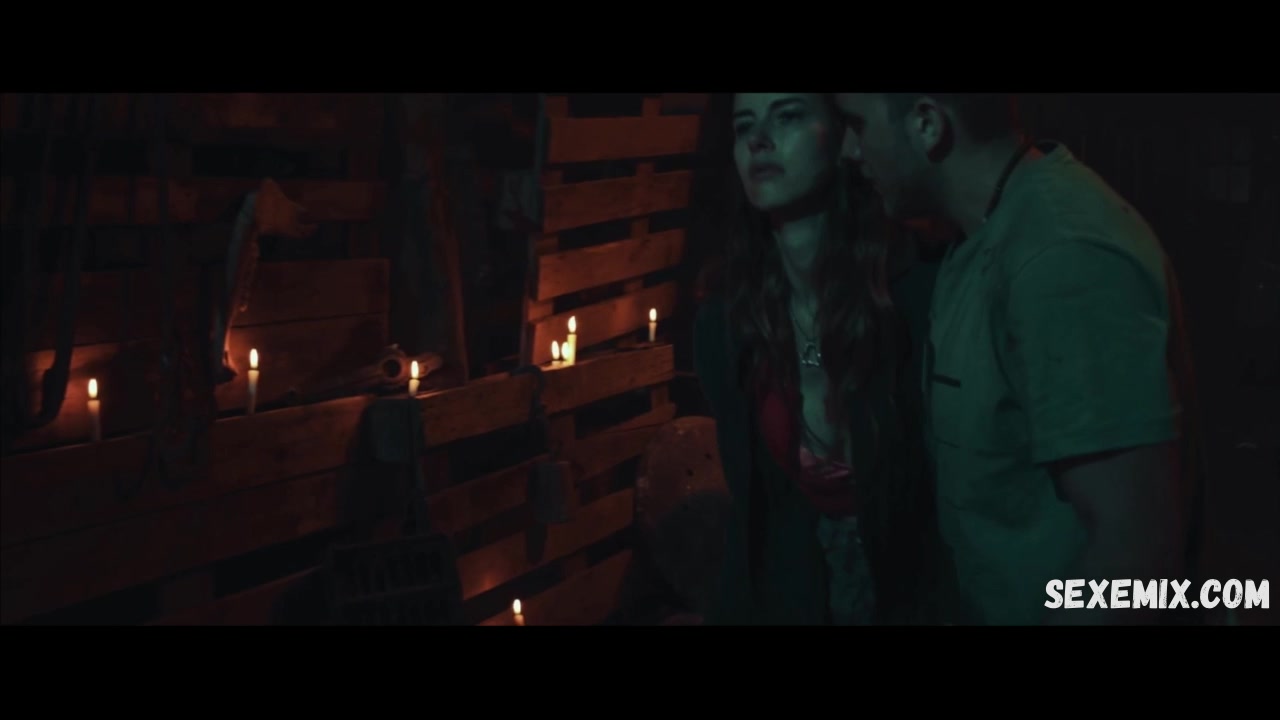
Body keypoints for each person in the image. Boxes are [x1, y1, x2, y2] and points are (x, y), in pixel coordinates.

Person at [833, 92, 1201, 625]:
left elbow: (1134, 553)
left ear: (927, 123)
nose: (848, 150)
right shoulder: (983, 234)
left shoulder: (1061, 255)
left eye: (858, 125)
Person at [693, 93, 955, 624]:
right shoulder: (727, 322)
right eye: (744, 126)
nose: (759, 139)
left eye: (787, 116)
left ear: (844, 137)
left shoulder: (920, 292)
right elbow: (754, 518)